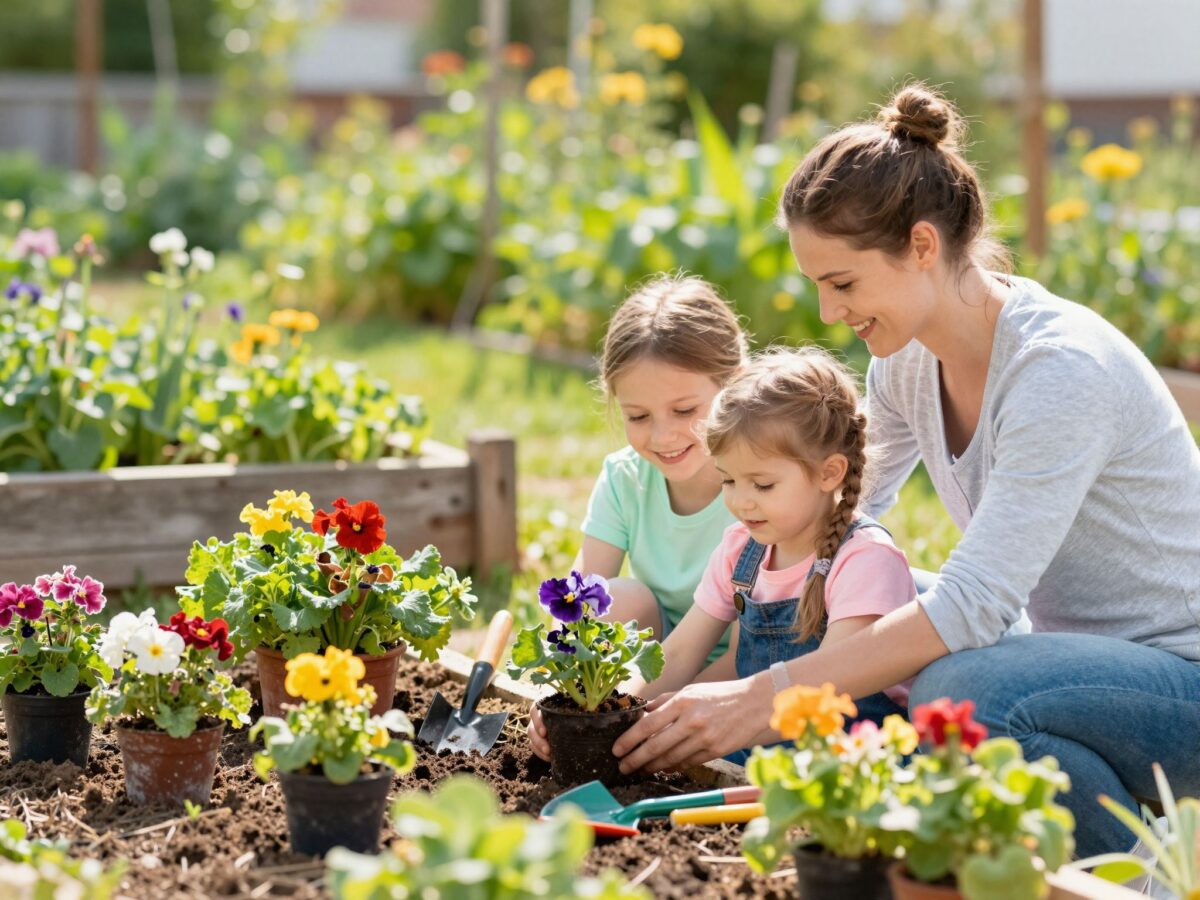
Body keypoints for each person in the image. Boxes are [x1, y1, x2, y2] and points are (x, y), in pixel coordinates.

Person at [610, 84, 1200, 859]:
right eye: (817, 285)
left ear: (923, 246)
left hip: (1175, 676)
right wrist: (647, 701)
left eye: (843, 284)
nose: (828, 315)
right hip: (1064, 653)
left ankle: (1140, 867)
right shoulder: (908, 365)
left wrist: (765, 698)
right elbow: (824, 535)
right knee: (865, 585)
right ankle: (1110, 825)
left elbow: (975, 608)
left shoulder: (1058, 372)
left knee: (960, 695)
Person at [622, 346, 916, 767]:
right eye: (727, 480)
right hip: (761, 740)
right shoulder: (741, 550)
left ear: (829, 473)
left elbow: (828, 696)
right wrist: (615, 711)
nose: (741, 502)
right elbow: (681, 653)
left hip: (849, 757)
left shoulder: (865, 560)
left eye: (762, 485)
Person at [526, 274, 747, 761]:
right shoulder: (626, 479)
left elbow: (742, 656)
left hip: (739, 671)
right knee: (619, 598)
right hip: (654, 667)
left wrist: (642, 713)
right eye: (639, 416)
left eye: (685, 409)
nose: (663, 436)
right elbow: (581, 606)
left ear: (732, 383)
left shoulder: (756, 490)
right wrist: (556, 696)